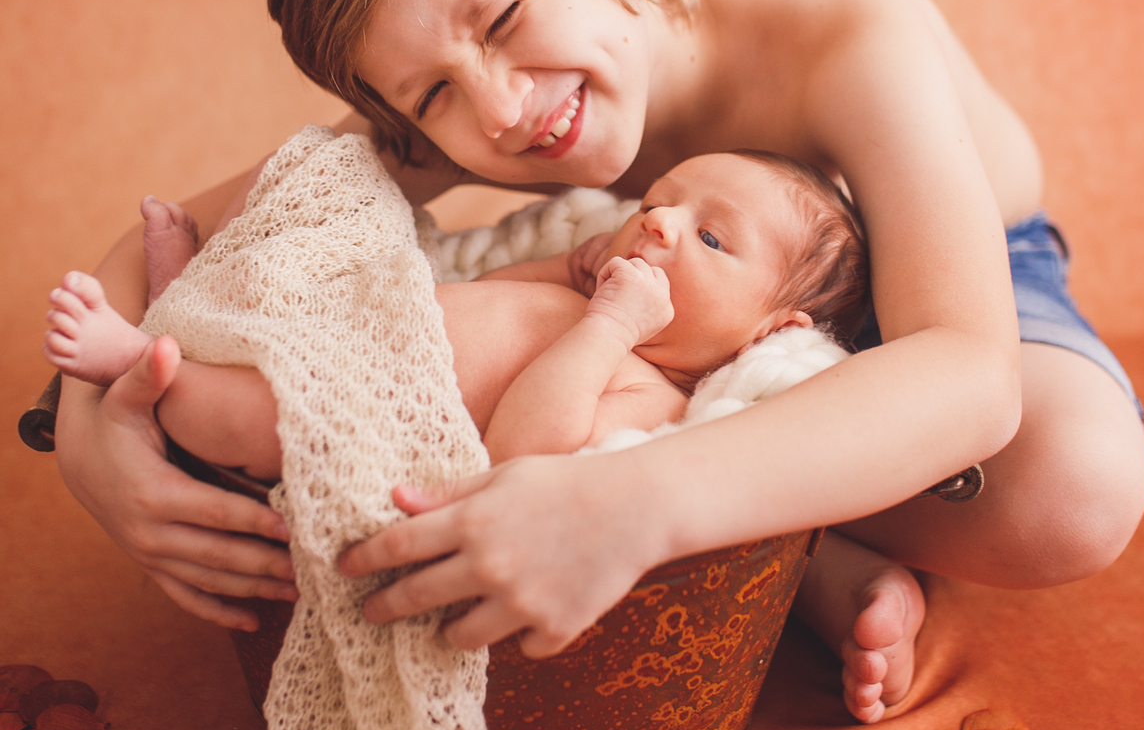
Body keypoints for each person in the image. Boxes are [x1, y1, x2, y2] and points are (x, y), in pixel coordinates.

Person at [51, 0, 1144, 727]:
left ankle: (761, 546)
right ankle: (788, 544)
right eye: (432, 93)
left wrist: (630, 502)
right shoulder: (473, 101)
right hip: (657, 345)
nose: (500, 111)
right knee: (250, 383)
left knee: (1073, 484)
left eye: (504, 20)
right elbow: (176, 248)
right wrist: (90, 445)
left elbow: (966, 372)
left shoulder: (840, 29)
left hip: (935, 287)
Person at [44, 148, 867, 475]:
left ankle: (143, 359)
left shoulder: (656, 395)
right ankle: (191, 293)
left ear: (769, 333)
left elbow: (528, 446)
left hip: (363, 405)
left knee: (257, 412)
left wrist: (611, 326)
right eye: (659, 201)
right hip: (373, 315)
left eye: (712, 240)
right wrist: (569, 271)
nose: (660, 222)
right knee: (314, 239)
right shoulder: (588, 291)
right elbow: (498, 293)